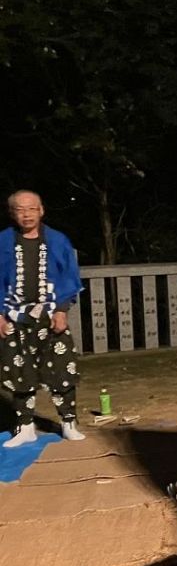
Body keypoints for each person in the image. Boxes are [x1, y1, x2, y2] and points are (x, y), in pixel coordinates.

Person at [0, 190, 86, 446]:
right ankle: (25, 426)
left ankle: (68, 422)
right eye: (20, 209)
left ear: (42, 210)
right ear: (12, 213)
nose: (26, 214)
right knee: (19, 372)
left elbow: (68, 276)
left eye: (31, 209)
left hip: (49, 315)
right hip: (14, 315)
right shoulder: (2, 241)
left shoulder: (58, 240)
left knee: (62, 369)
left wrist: (61, 310)